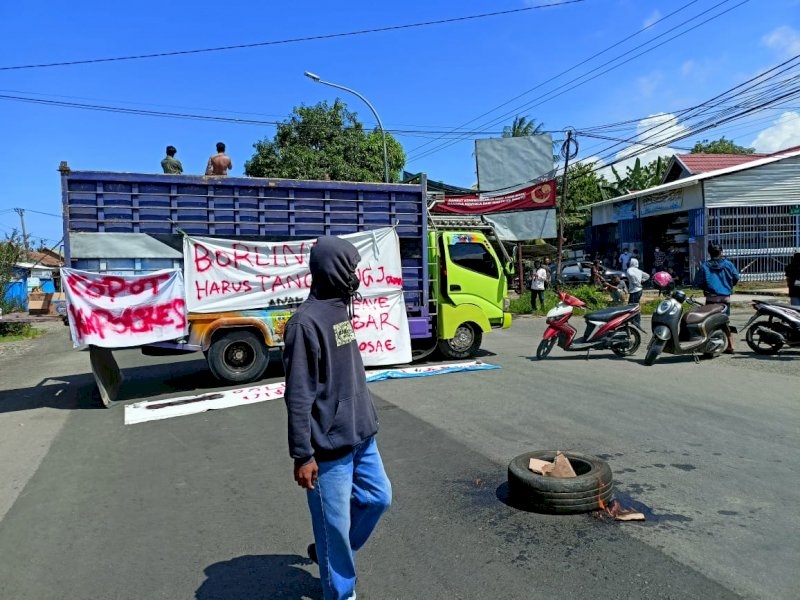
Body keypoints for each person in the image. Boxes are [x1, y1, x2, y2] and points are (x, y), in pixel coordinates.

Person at [282, 236, 392, 600]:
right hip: (328, 451)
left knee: (379, 498)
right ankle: (341, 590)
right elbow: (298, 396)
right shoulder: (304, 323)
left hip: (362, 435)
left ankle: (330, 550)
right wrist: (303, 454)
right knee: (335, 528)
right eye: (350, 268)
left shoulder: (340, 309)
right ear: (332, 270)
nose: (355, 276)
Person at [694, 243, 740, 353]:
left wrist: (705, 288)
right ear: (721, 252)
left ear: (709, 253)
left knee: (708, 322)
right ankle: (730, 345)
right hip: (725, 299)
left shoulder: (705, 266)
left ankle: (708, 344)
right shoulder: (729, 265)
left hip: (711, 298)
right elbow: (736, 278)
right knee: (725, 322)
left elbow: (698, 282)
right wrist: (728, 286)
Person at [626, 257, 649, 325]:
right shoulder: (639, 271)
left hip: (634, 290)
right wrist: (642, 281)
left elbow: (631, 276)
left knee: (633, 306)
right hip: (639, 290)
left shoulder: (629, 270)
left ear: (631, 263)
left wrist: (636, 283)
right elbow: (647, 276)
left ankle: (636, 320)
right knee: (633, 305)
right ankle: (634, 319)